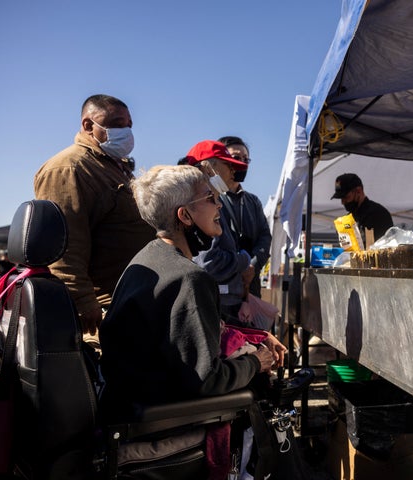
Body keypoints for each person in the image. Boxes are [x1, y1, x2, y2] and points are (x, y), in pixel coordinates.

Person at [99, 165, 285, 479]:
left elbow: (198, 322)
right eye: (210, 198)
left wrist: (255, 335)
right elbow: (207, 381)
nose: (219, 206)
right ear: (184, 216)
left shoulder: (149, 257)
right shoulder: (190, 278)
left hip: (129, 401)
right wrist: (257, 361)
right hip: (156, 418)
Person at [34, 94, 155, 336]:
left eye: (129, 125)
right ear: (89, 125)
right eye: (118, 123)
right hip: (104, 309)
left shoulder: (113, 166)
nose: (127, 131)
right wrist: (82, 300)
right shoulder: (69, 167)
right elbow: (65, 244)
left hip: (131, 301)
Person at [183, 140, 254, 326]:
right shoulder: (199, 205)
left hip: (221, 299)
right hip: (216, 302)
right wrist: (243, 260)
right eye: (229, 165)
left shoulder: (212, 203)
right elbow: (209, 262)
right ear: (207, 168)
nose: (233, 171)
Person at [217, 136, 272, 298]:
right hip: (221, 284)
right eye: (236, 158)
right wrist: (238, 266)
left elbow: (265, 237)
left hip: (250, 284)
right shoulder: (211, 197)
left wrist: (252, 266)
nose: (242, 163)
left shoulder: (252, 201)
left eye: (245, 159)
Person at [331, 173, 394, 242]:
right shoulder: (350, 218)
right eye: (341, 199)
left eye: (346, 197)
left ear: (358, 191)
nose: (343, 202)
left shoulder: (378, 214)